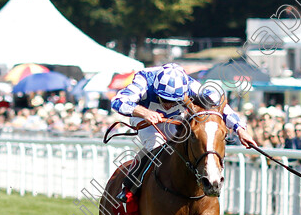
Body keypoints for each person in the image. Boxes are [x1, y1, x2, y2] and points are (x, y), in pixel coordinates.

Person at [109, 63, 257, 201]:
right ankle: (129, 186)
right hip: (144, 118)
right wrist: (143, 112)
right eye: (164, 99)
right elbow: (117, 101)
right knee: (157, 145)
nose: (168, 105)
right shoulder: (144, 80)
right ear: (155, 90)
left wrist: (240, 129)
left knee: (186, 147)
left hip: (174, 119)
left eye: (173, 101)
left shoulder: (191, 85)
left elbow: (221, 107)